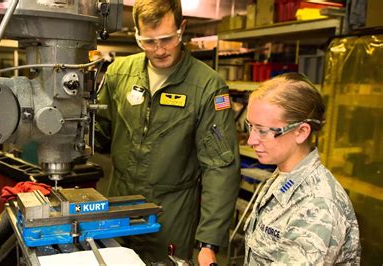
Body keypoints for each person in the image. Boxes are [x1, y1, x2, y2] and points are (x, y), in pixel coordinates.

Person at [94, 0, 240, 264]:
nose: (159, 50)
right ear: (137, 35)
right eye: (148, 42)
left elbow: (220, 168)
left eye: (167, 39)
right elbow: (99, 132)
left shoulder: (207, 86)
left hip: (171, 215)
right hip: (118, 206)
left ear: (182, 29)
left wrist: (208, 241)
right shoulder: (119, 73)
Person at [243, 73, 361, 264]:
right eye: (251, 127)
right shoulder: (284, 174)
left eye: (263, 131)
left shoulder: (317, 206)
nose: (251, 140)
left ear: (301, 132)